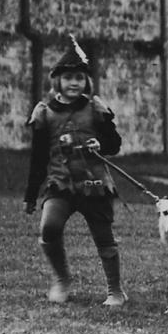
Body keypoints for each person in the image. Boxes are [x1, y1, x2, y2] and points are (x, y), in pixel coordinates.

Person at [24, 36, 128, 307]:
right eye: (68, 77)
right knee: (49, 227)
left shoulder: (94, 108)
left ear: (86, 82)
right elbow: (38, 158)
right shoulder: (44, 113)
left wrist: (101, 144)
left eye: (79, 78)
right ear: (57, 81)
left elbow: (114, 143)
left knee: (103, 237)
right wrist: (30, 195)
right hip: (61, 184)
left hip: (94, 184)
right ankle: (62, 281)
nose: (74, 83)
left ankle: (115, 290)